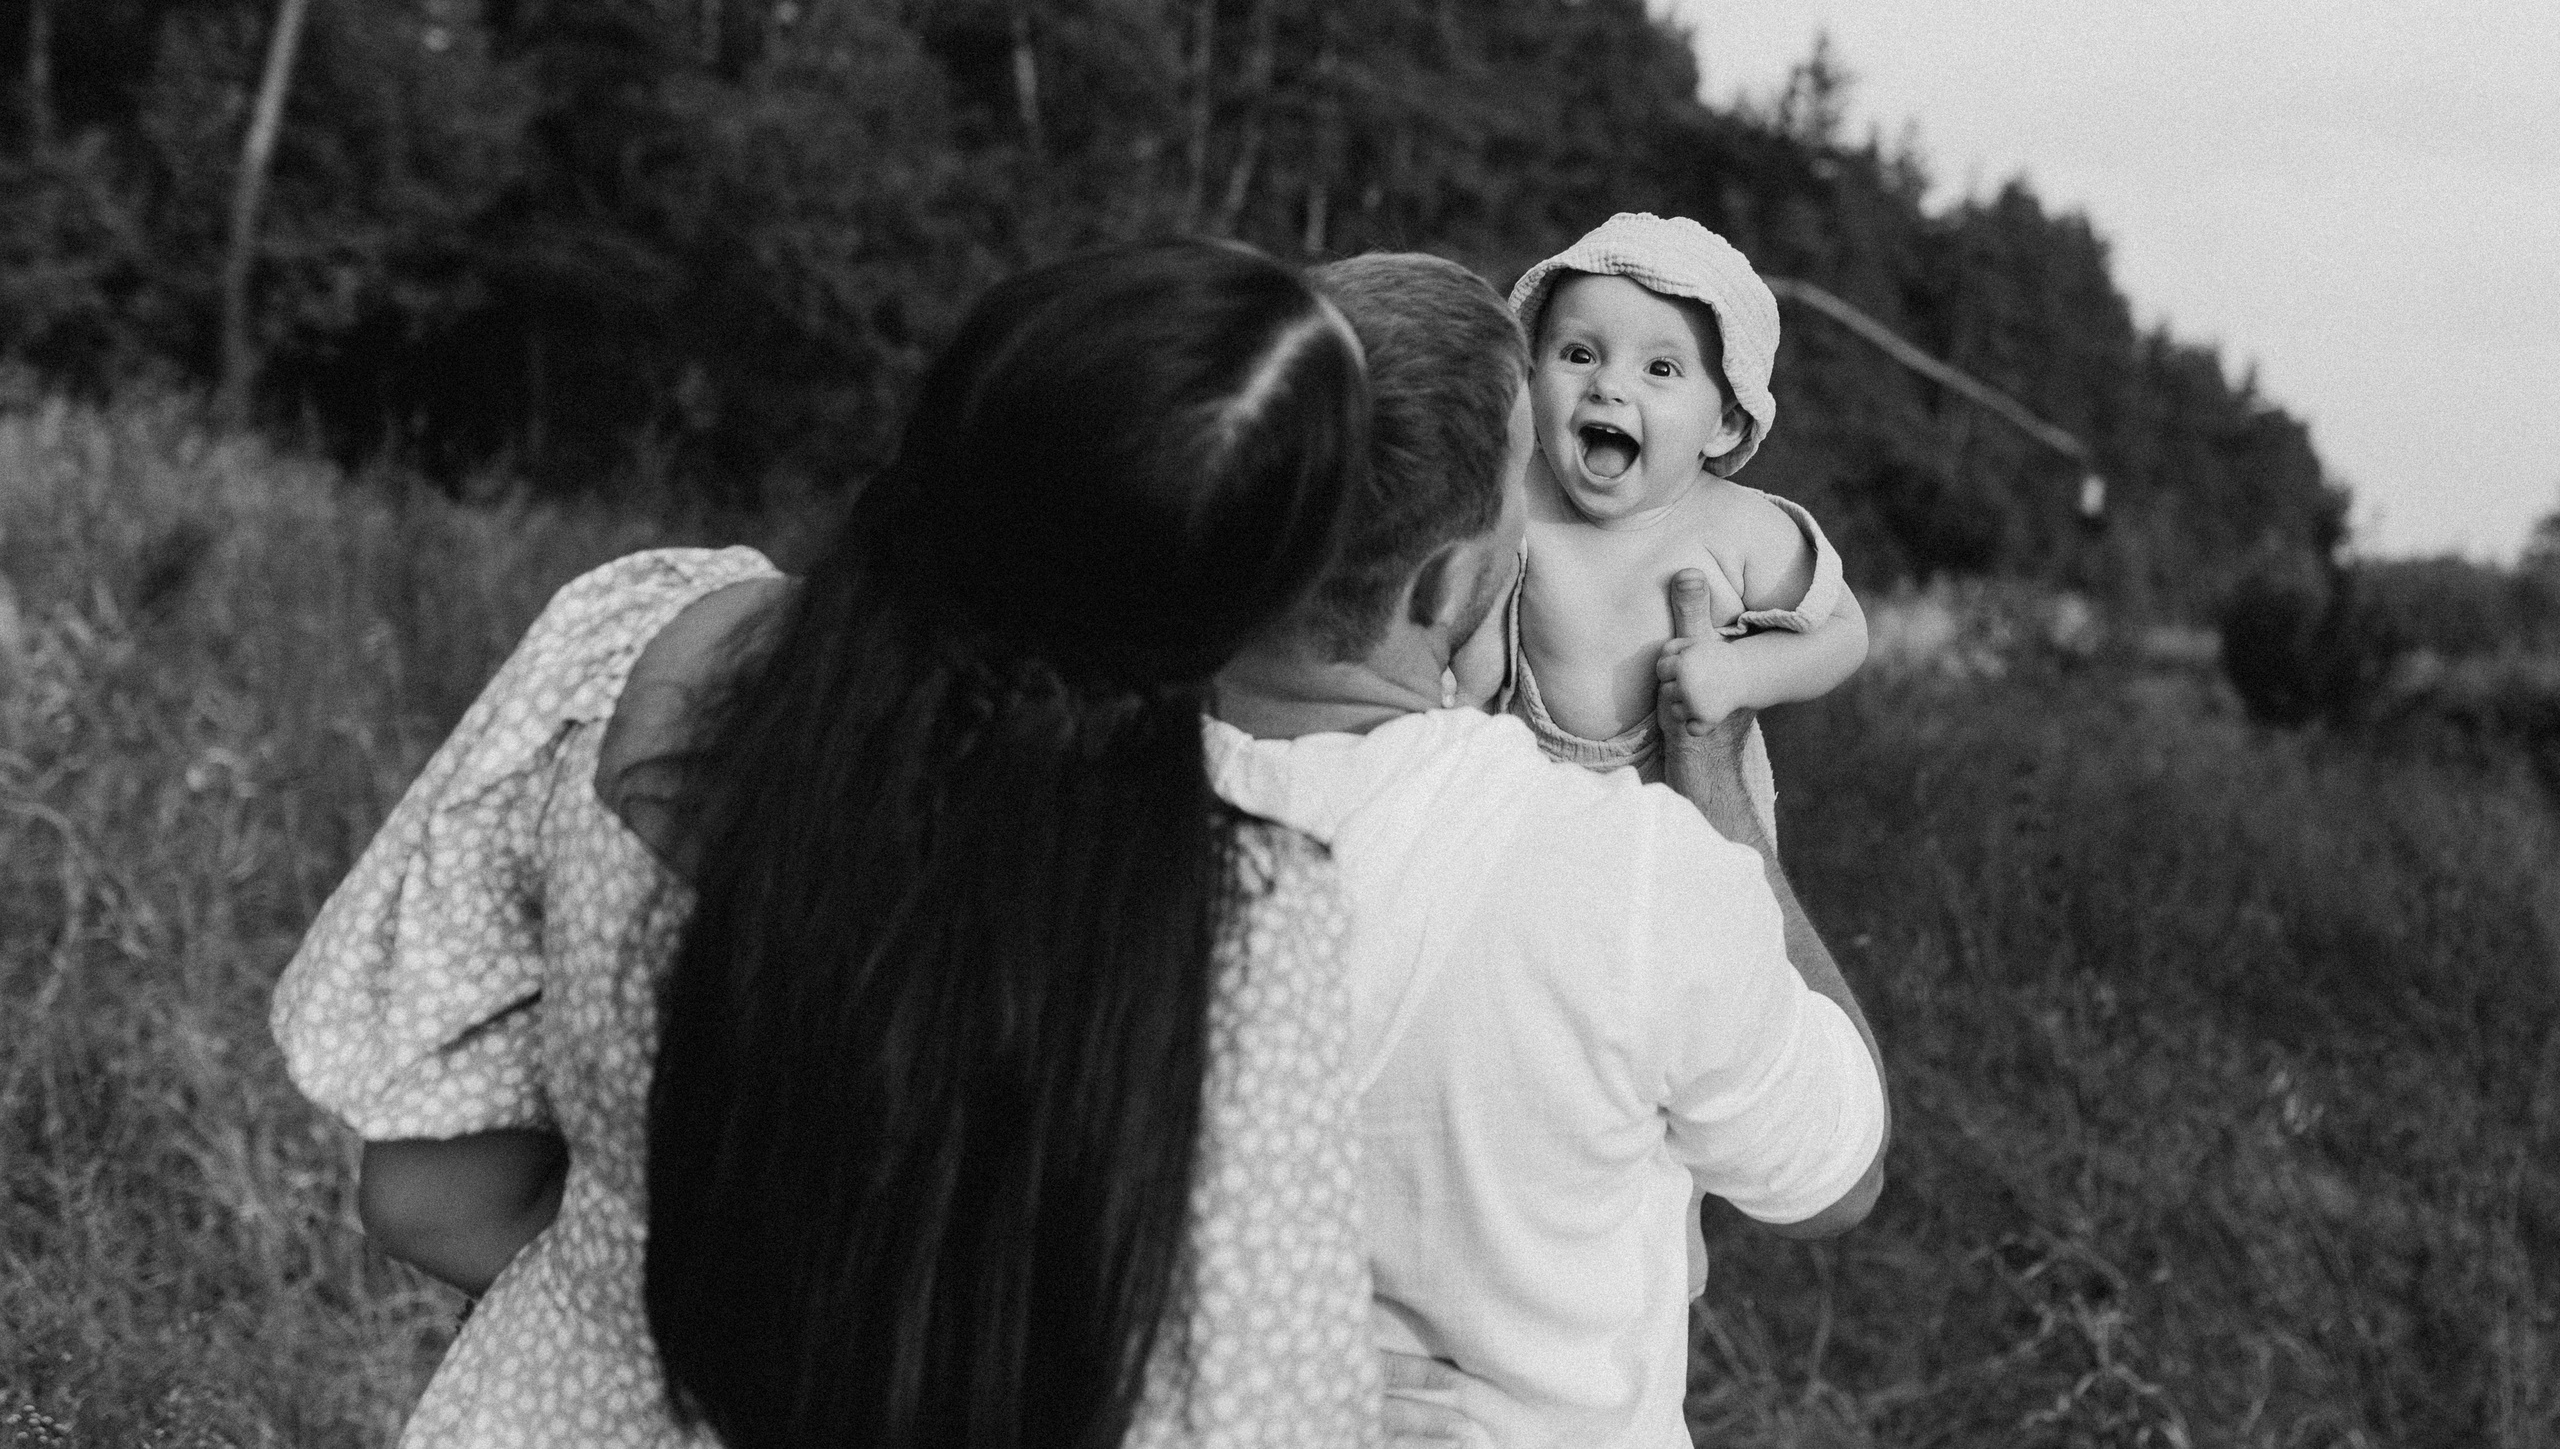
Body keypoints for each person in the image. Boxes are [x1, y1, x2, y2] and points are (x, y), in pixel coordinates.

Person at [270, 240, 1449, 1448]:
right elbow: (1260, 1417)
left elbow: (424, 1199)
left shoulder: (628, 646)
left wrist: (629, 1316)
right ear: (1243, 607)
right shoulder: (1230, 921)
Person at [1207, 252, 1890, 1447]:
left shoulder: (1056, 815)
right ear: (1455, 575)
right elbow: (1839, 1173)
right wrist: (1714, 773)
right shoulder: (1627, 886)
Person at [1505, 212, 1868, 847]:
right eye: (1578, 354)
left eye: (1661, 369)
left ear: (1724, 425)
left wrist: (1740, 675)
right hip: (1534, 798)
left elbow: (1845, 634)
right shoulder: (1516, 494)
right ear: (1533, 375)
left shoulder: (1735, 525)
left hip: (1690, 818)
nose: (1608, 386)